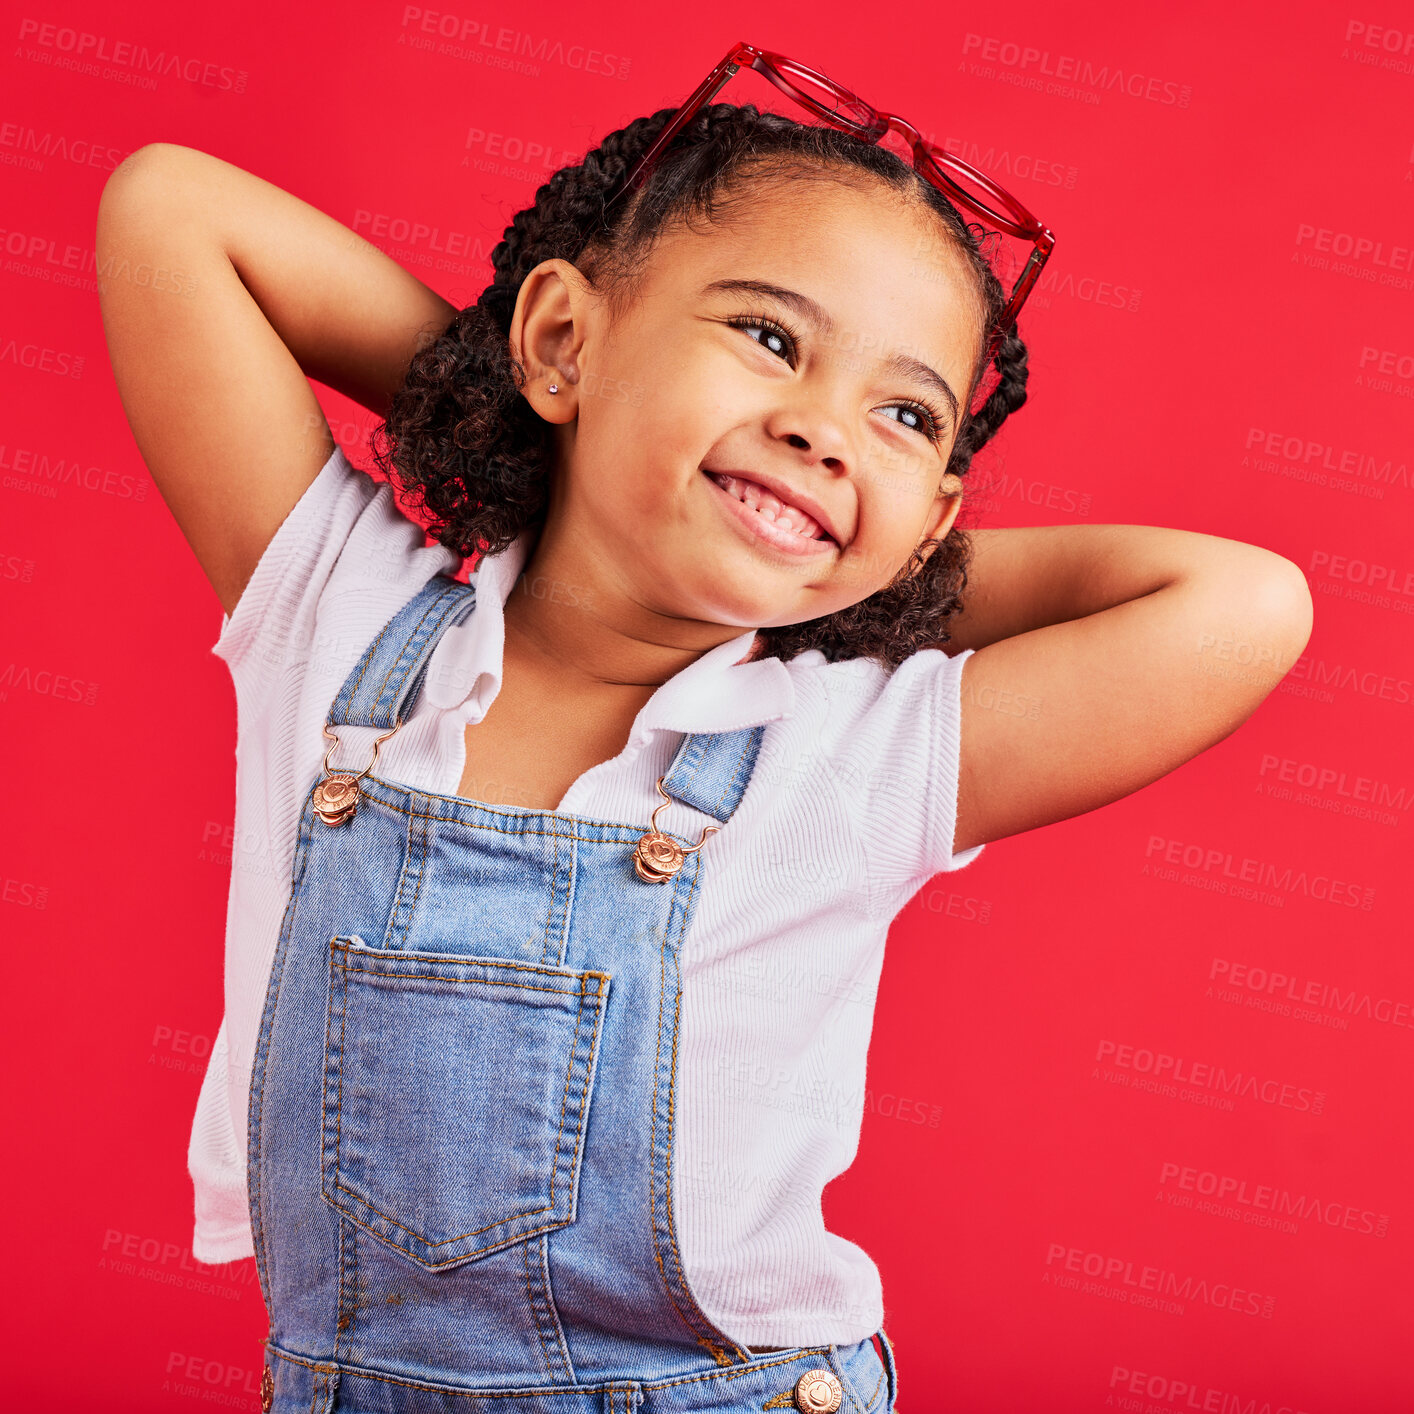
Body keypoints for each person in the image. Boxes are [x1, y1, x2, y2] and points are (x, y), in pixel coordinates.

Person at [95, 98, 1312, 1414]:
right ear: (559, 334)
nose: (825, 426)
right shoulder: (340, 614)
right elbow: (173, 211)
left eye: (906, 417)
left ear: (928, 524)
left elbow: (1243, 605)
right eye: (768, 337)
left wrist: (868, 572)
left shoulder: (856, 745)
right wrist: (517, 403)